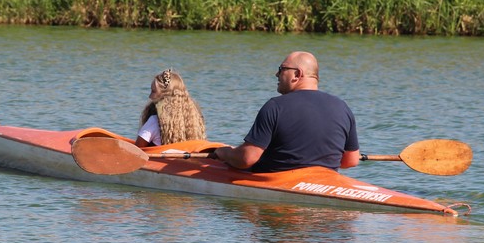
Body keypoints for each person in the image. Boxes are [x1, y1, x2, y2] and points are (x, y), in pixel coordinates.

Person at [210, 51, 359, 172]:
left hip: (276, 183)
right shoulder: (342, 107)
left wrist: (224, 153)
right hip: (325, 183)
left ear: (297, 74)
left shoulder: (275, 106)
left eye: (282, 69)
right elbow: (351, 161)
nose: (277, 74)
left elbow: (246, 159)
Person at [135, 69, 207, 147]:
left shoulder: (154, 121)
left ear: (164, 96)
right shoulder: (195, 118)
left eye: (153, 91)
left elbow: (137, 149)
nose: (150, 96)